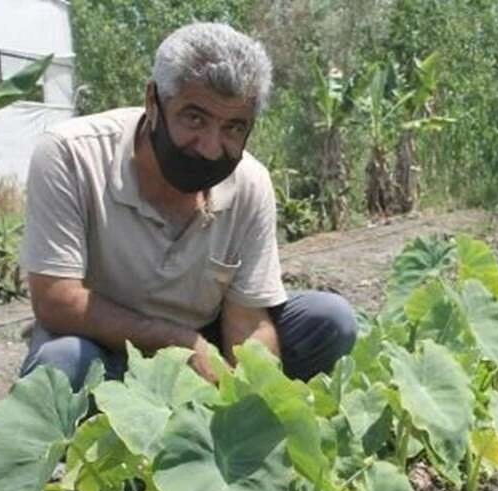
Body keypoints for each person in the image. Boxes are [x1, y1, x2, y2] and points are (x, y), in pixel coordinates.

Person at [18, 22, 356, 390]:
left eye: (233, 128)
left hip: (206, 336)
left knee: (329, 320)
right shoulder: (71, 154)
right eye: (195, 118)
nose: (211, 147)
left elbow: (248, 319)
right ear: (153, 101)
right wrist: (181, 343)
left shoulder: (250, 182)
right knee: (64, 362)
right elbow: (57, 300)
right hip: (104, 342)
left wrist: (249, 402)